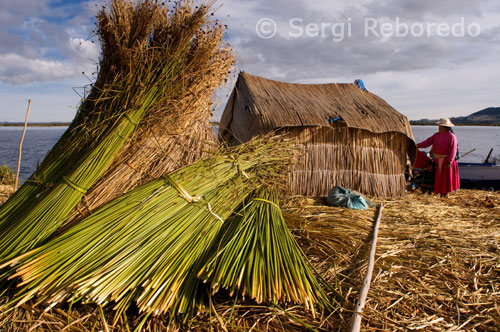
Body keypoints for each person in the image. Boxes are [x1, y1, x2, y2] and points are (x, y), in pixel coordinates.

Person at [416, 118, 460, 196]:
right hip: (437, 160)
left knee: (445, 178)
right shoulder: (436, 135)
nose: (439, 128)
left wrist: (449, 161)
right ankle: (439, 191)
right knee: (438, 177)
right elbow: (427, 142)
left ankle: (445, 193)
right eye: (439, 126)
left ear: (445, 127)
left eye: (440, 126)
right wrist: (416, 146)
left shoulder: (452, 137)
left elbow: (453, 150)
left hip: (446, 161)